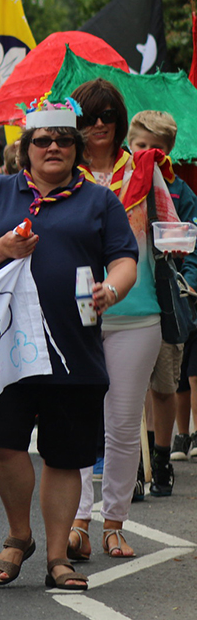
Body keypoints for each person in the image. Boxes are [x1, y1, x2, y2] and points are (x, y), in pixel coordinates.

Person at [0, 100, 138, 593]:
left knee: (64, 455)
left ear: (76, 148)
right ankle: (18, 536)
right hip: (6, 350)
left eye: (63, 139)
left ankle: (58, 557)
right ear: (26, 148)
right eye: (42, 140)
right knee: (6, 446)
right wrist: (2, 249)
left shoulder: (99, 200)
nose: (53, 147)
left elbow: (124, 260)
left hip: (74, 349)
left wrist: (110, 290)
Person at [67, 80, 179, 562]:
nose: (99, 125)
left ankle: (113, 523)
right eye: (90, 116)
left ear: (119, 120)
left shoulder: (144, 168)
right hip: (74, 312)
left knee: (121, 425)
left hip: (136, 313)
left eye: (108, 116)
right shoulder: (61, 170)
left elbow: (171, 228)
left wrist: (173, 234)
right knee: (74, 422)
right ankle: (76, 519)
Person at [126, 111, 197, 495]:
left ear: (168, 152)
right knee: (128, 387)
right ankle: (133, 465)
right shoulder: (119, 186)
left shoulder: (182, 195)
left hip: (167, 295)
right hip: (128, 297)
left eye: (157, 149)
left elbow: (194, 243)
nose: (148, 155)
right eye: (141, 147)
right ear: (128, 145)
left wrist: (191, 281)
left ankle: (162, 457)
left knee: (165, 385)